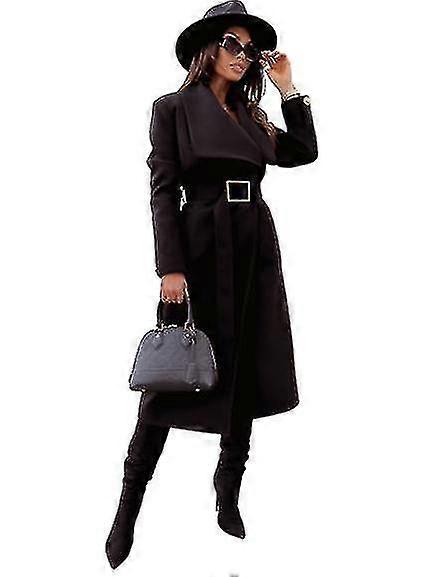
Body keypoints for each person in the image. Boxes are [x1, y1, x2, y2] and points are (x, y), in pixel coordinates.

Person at [105, 0, 318, 569]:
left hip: (254, 243)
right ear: (207, 49)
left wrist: (288, 89)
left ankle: (228, 489)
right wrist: (170, 267)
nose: (242, 55)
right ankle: (127, 509)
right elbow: (161, 189)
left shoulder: (252, 116)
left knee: (244, 365)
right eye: (231, 44)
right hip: (199, 245)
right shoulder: (172, 108)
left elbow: (303, 152)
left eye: (250, 49)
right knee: (171, 374)